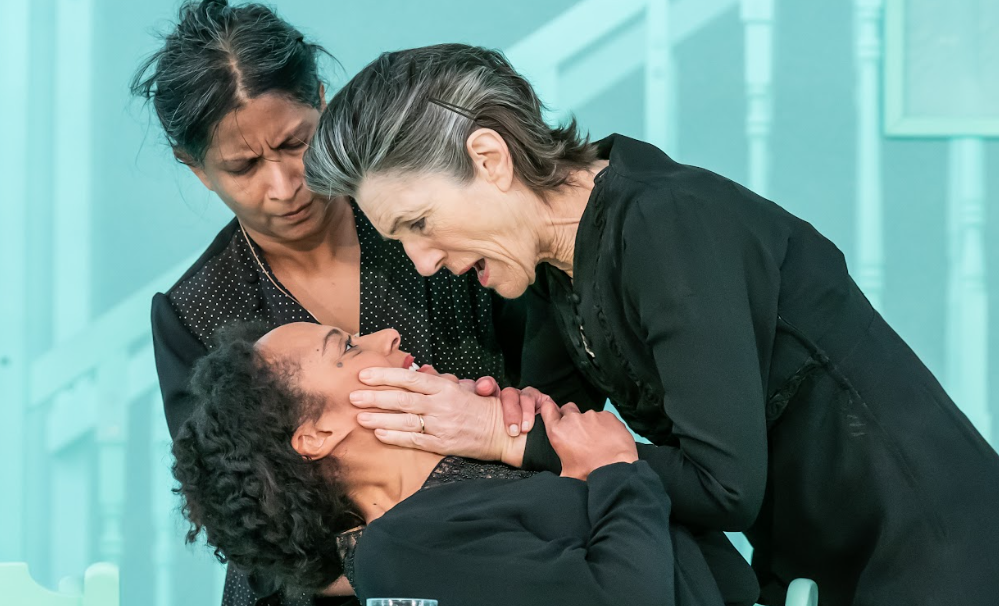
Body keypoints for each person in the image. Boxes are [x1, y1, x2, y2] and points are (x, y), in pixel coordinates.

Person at [301, 43, 999, 606]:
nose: (422, 262)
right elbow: (547, 437)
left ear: (490, 159)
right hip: (823, 563)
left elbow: (723, 485)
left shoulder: (670, 223)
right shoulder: (550, 271)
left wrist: (500, 434)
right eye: (400, 241)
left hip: (938, 553)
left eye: (419, 223)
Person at [130, 6, 526, 605]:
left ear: (321, 99)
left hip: (512, 555)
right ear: (197, 167)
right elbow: (239, 515)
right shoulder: (193, 312)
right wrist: (401, 562)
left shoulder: (425, 224)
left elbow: (547, 399)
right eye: (243, 167)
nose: (285, 185)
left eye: (296, 143)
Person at [172, 321, 760, 606]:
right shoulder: (395, 553)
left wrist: (538, 448)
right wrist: (613, 473)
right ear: (317, 434)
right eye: (347, 348)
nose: (387, 335)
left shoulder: (466, 477)